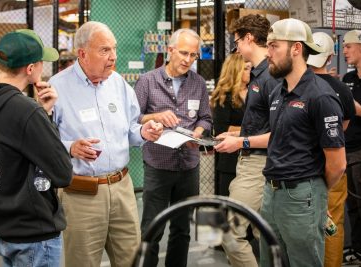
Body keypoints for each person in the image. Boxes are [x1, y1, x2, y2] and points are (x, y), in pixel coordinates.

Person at [49, 21, 163, 267]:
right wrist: (70, 147)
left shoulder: (118, 84)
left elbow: (131, 128)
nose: (113, 57)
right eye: (104, 50)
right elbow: (43, 142)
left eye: (114, 49)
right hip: (81, 194)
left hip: (122, 188)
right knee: (82, 262)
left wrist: (144, 131)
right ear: (82, 53)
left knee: (132, 260)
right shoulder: (57, 88)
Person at [0, 29, 73, 267]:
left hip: (6, 228)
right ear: (30, 69)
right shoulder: (25, 110)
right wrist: (44, 117)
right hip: (34, 232)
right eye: (41, 62)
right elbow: (63, 172)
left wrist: (42, 113)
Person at [260, 18, 346, 266]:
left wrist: (316, 194)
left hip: (301, 196)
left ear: (296, 48)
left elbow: (337, 163)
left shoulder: (321, 96)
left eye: (274, 45)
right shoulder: (278, 92)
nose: (268, 53)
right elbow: (278, 139)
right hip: (271, 193)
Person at [134, 28, 212, 267]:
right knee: (152, 227)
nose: (188, 60)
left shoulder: (198, 83)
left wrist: (197, 134)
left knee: (182, 229)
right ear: (170, 50)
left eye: (193, 56)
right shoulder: (148, 81)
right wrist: (156, 116)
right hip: (158, 165)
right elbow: (135, 118)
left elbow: (205, 118)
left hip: (189, 165)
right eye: (184, 53)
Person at [214, 14, 280, 267]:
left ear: (249, 38)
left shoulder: (269, 77)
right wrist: (236, 134)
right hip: (251, 162)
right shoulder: (258, 75)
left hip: (258, 166)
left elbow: (279, 133)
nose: (237, 48)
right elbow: (261, 123)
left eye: (237, 41)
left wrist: (240, 143)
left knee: (229, 232)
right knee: (263, 234)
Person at [307, 31, 356, 267]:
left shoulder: (297, 85)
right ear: (329, 57)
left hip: (304, 167)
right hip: (334, 164)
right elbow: (342, 129)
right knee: (332, 224)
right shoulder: (343, 89)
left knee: (302, 225)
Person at [210, 54, 251, 197]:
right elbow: (223, 130)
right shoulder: (223, 97)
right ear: (236, 70)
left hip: (252, 159)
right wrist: (255, 129)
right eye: (246, 68)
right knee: (229, 207)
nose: (250, 72)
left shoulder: (255, 93)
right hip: (230, 161)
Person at [342, 29, 361, 264]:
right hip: (345, 148)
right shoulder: (347, 80)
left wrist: (354, 107)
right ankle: (357, 249)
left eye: (348, 46)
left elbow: (353, 109)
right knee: (352, 205)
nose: (344, 50)